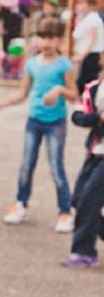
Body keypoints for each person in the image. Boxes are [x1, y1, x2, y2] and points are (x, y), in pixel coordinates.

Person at [0, 18, 78, 232]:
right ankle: (20, 204)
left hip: (55, 123)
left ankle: (65, 212)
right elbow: (22, 94)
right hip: (34, 121)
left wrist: (58, 91)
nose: (46, 42)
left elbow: (74, 94)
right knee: (26, 165)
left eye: (51, 38)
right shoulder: (32, 64)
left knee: (56, 166)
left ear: (59, 40)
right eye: (42, 37)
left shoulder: (64, 65)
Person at [63, 66, 104, 268]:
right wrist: (98, 117)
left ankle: (84, 252)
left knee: (90, 198)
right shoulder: (94, 88)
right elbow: (78, 116)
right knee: (79, 199)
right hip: (95, 152)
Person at [72, 0, 104, 95]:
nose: (80, 6)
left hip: (91, 55)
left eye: (82, 4)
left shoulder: (93, 19)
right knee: (82, 81)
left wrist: (83, 55)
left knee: (86, 82)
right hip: (85, 54)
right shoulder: (85, 18)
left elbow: (92, 39)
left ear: (90, 6)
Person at [0, 0, 27, 79]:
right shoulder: (5, 8)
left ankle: (16, 72)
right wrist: (1, 30)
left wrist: (25, 30)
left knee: (18, 53)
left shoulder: (21, 8)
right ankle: (6, 71)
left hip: (18, 35)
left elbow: (28, 17)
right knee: (7, 54)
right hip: (7, 35)